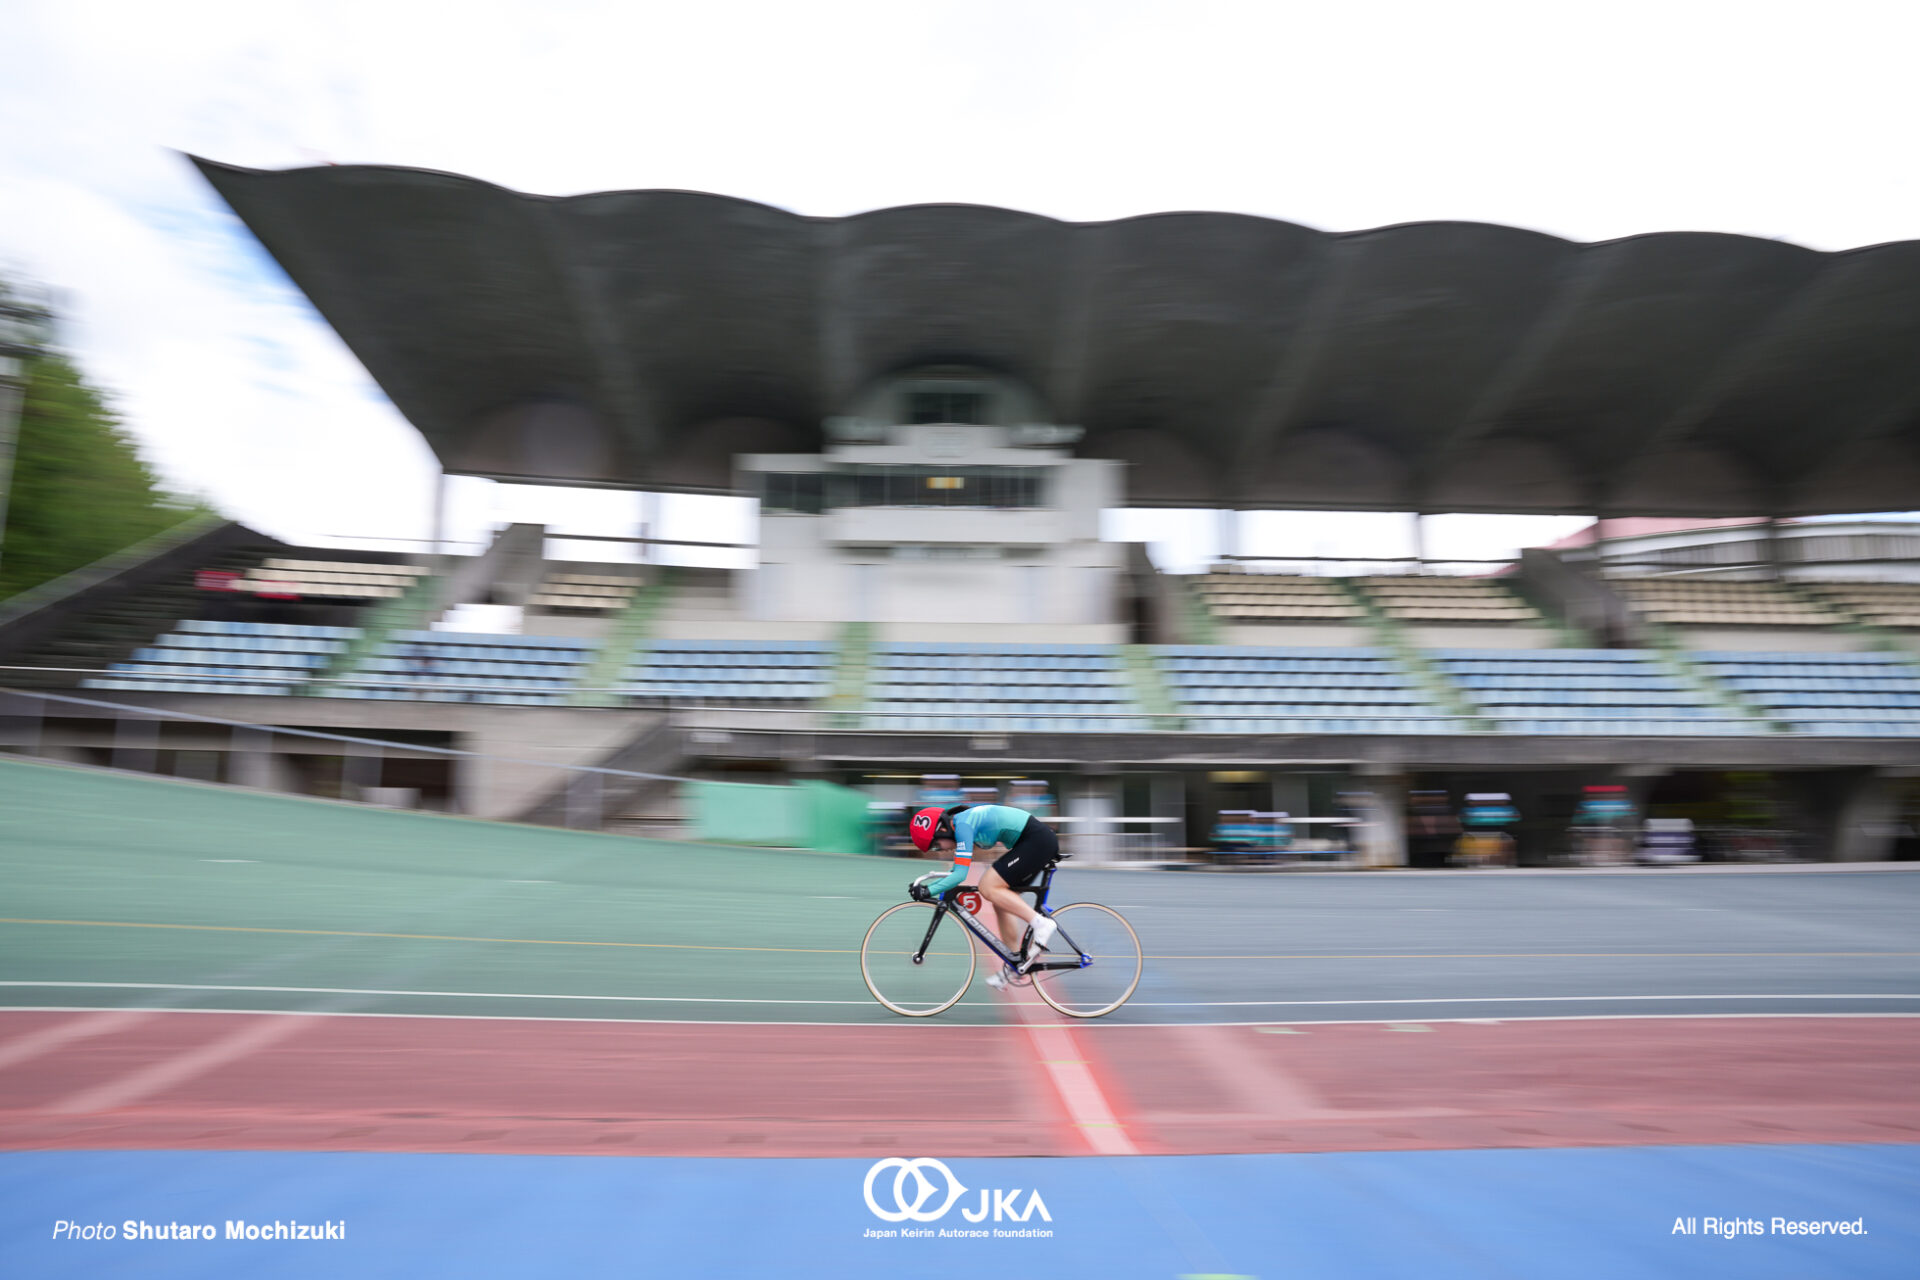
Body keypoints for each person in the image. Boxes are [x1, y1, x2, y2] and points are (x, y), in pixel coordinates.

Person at [909, 803, 1061, 991]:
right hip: (1033, 841)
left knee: (987, 886)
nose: (939, 850)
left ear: (942, 829)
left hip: (1036, 840)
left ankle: (1041, 923)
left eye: (935, 845)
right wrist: (930, 885)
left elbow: (959, 875)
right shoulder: (960, 824)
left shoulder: (962, 826)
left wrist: (927, 890)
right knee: (1000, 900)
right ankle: (1016, 964)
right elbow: (958, 869)